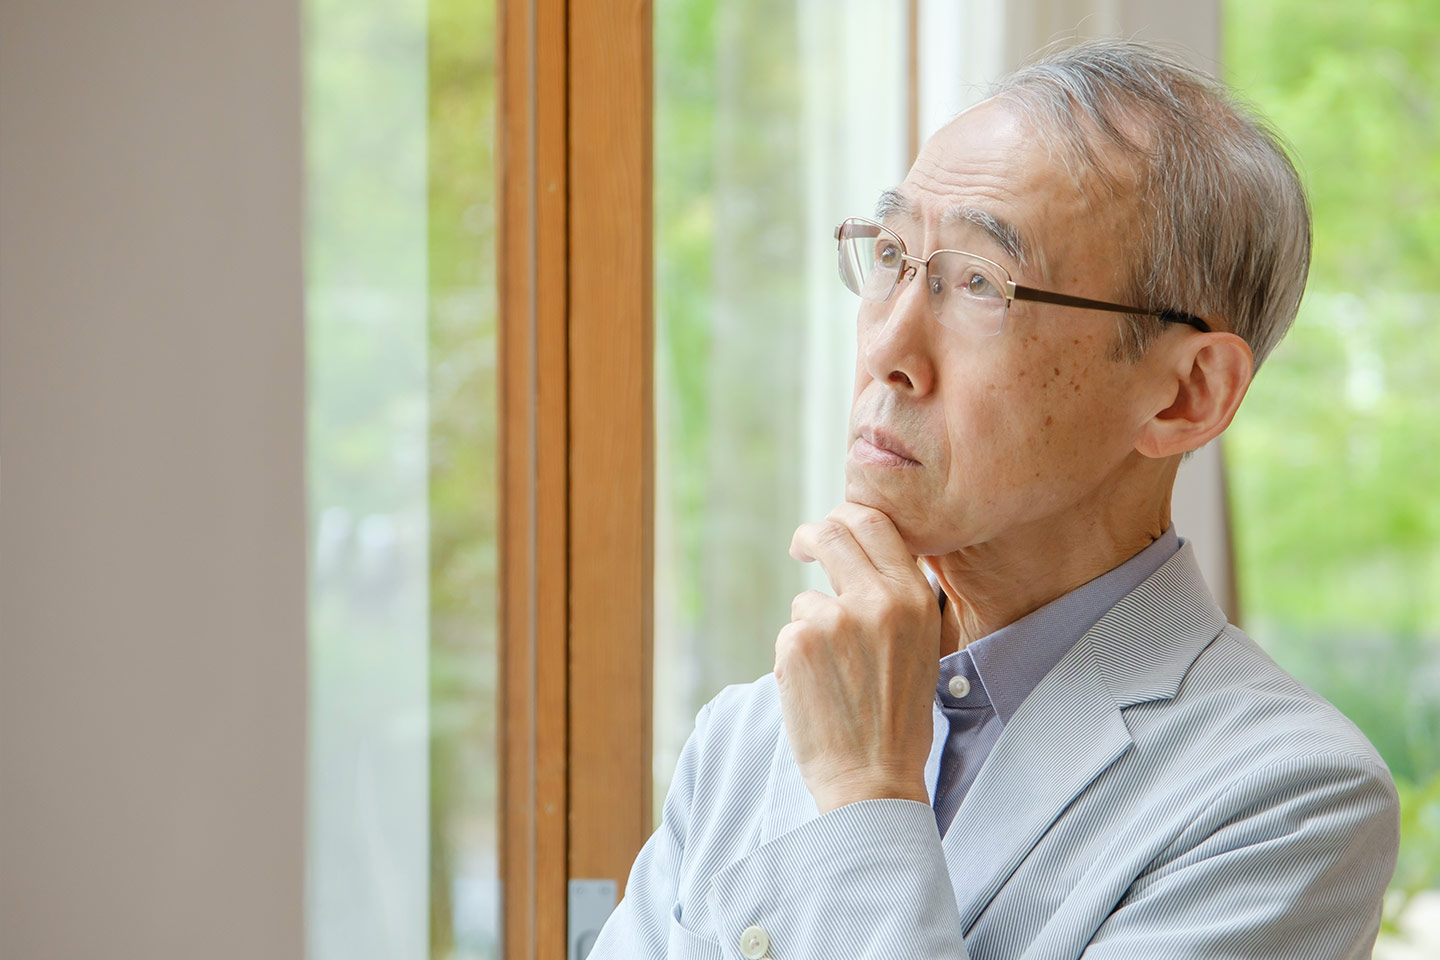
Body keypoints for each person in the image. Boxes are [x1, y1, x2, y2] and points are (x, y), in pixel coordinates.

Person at [590, 39, 1399, 959]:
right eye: (892, 255)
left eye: (978, 282)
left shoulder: (1286, 801)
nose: (887, 345)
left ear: (1185, 396)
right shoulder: (749, 735)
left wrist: (865, 794)